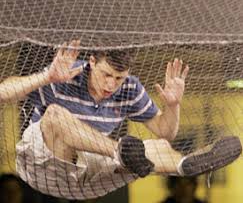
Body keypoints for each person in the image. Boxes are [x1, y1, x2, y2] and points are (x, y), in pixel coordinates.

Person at [0, 40, 241, 200]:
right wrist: (46, 77)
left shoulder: (128, 89)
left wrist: (173, 105)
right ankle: (120, 152)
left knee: (159, 146)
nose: (110, 85)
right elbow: (3, 92)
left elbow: (165, 131)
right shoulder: (65, 75)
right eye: (106, 74)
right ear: (91, 62)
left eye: (118, 78)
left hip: (87, 180)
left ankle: (185, 165)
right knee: (54, 115)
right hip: (41, 168)